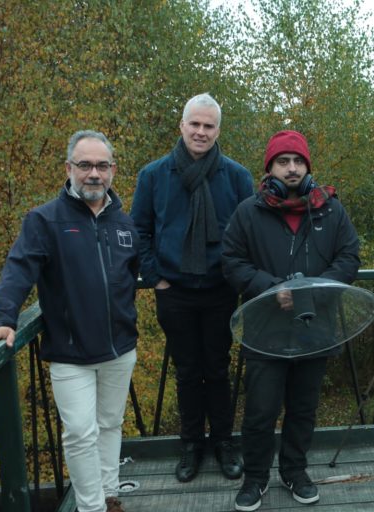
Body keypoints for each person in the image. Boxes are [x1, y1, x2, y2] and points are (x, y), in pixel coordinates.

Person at [0, 131, 138, 512]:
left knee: (110, 424)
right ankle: (91, 507)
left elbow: (132, 274)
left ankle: (109, 494)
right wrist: (1, 317)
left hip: (120, 347)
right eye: (84, 165)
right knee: (81, 433)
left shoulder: (124, 224)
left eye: (101, 165)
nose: (93, 173)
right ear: (69, 169)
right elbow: (18, 270)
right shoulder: (45, 220)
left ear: (112, 170)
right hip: (70, 350)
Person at [222, 130, 360, 511]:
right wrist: (270, 288)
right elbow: (232, 262)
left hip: (315, 328)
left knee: (303, 408)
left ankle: (295, 471)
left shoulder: (331, 209)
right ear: (270, 168)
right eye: (283, 161)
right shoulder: (248, 211)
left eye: (298, 161)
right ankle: (255, 478)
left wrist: (316, 289)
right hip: (265, 329)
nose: (292, 167)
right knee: (261, 410)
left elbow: (349, 257)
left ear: (308, 168)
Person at [130, 93, 254, 482]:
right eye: (195, 124)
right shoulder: (154, 176)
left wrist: (234, 278)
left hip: (220, 291)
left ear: (218, 130)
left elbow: (247, 235)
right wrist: (157, 279)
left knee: (217, 370)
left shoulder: (236, 176)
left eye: (209, 126)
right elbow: (139, 232)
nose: (201, 132)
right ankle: (190, 446)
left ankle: (223, 442)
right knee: (186, 372)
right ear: (181, 125)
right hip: (175, 291)